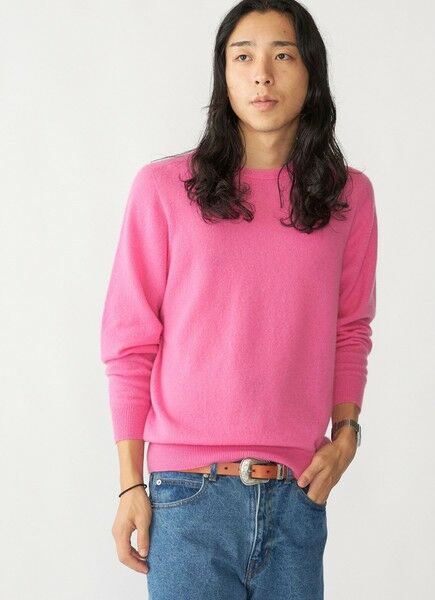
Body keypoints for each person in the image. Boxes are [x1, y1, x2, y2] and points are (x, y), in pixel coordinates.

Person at [99, 1, 378, 598]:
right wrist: (130, 484)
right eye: (243, 57)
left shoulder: (347, 197)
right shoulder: (164, 190)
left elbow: (350, 328)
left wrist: (347, 434)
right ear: (223, 75)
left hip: (297, 496)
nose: (262, 75)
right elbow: (130, 342)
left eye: (283, 55)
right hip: (186, 496)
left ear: (311, 72)